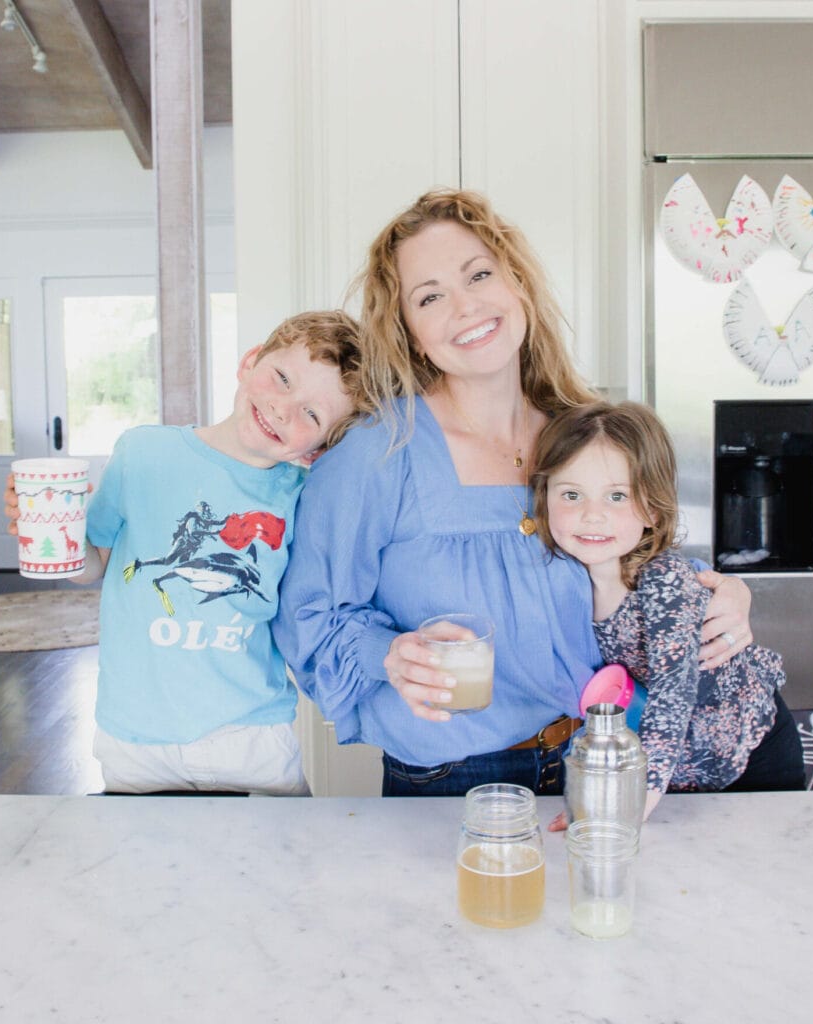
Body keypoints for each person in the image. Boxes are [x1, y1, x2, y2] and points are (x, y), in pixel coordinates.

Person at [273, 187, 755, 798]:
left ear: (518, 284)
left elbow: (646, 564)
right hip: (452, 780)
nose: (465, 307)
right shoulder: (378, 453)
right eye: (430, 297)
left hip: (606, 755)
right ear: (410, 333)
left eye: (479, 274)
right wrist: (389, 654)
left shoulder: (586, 432)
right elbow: (309, 617)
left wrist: (726, 596)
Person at [5, 311, 363, 795]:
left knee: (275, 866)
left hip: (251, 736)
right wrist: (54, 531)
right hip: (134, 736)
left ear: (316, 449)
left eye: (312, 415)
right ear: (250, 360)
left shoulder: (304, 496)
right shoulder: (141, 452)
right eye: (282, 378)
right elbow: (95, 566)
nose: (283, 409)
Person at [530, 400, 806, 822]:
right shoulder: (568, 582)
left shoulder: (664, 581)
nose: (591, 515)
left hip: (752, 753)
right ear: (544, 498)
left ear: (653, 508)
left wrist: (633, 799)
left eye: (617, 496)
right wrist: (593, 796)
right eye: (571, 494)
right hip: (680, 766)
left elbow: (673, 694)